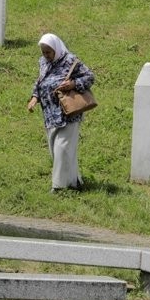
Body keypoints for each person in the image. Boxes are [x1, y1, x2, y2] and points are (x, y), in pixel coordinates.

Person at [27, 33, 95, 193]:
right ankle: (74, 182)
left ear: (56, 48)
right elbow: (40, 81)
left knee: (62, 149)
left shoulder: (70, 61)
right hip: (50, 114)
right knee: (56, 150)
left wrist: (73, 84)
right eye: (43, 52)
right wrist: (34, 98)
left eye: (48, 52)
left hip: (68, 113)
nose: (46, 55)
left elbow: (90, 77)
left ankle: (58, 186)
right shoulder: (43, 62)